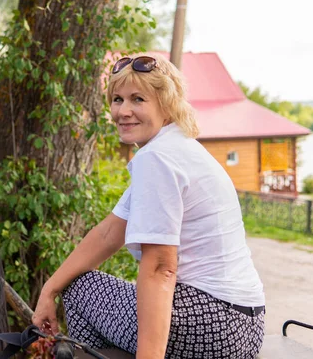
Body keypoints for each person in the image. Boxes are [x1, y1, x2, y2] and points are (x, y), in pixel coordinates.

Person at [32, 53, 265, 358]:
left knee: (80, 289)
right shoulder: (177, 147)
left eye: (138, 99)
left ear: (166, 105)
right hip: (246, 326)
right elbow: (108, 234)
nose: (123, 111)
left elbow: (160, 268)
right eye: (117, 99)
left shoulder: (157, 159)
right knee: (90, 285)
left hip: (210, 324)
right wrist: (49, 288)